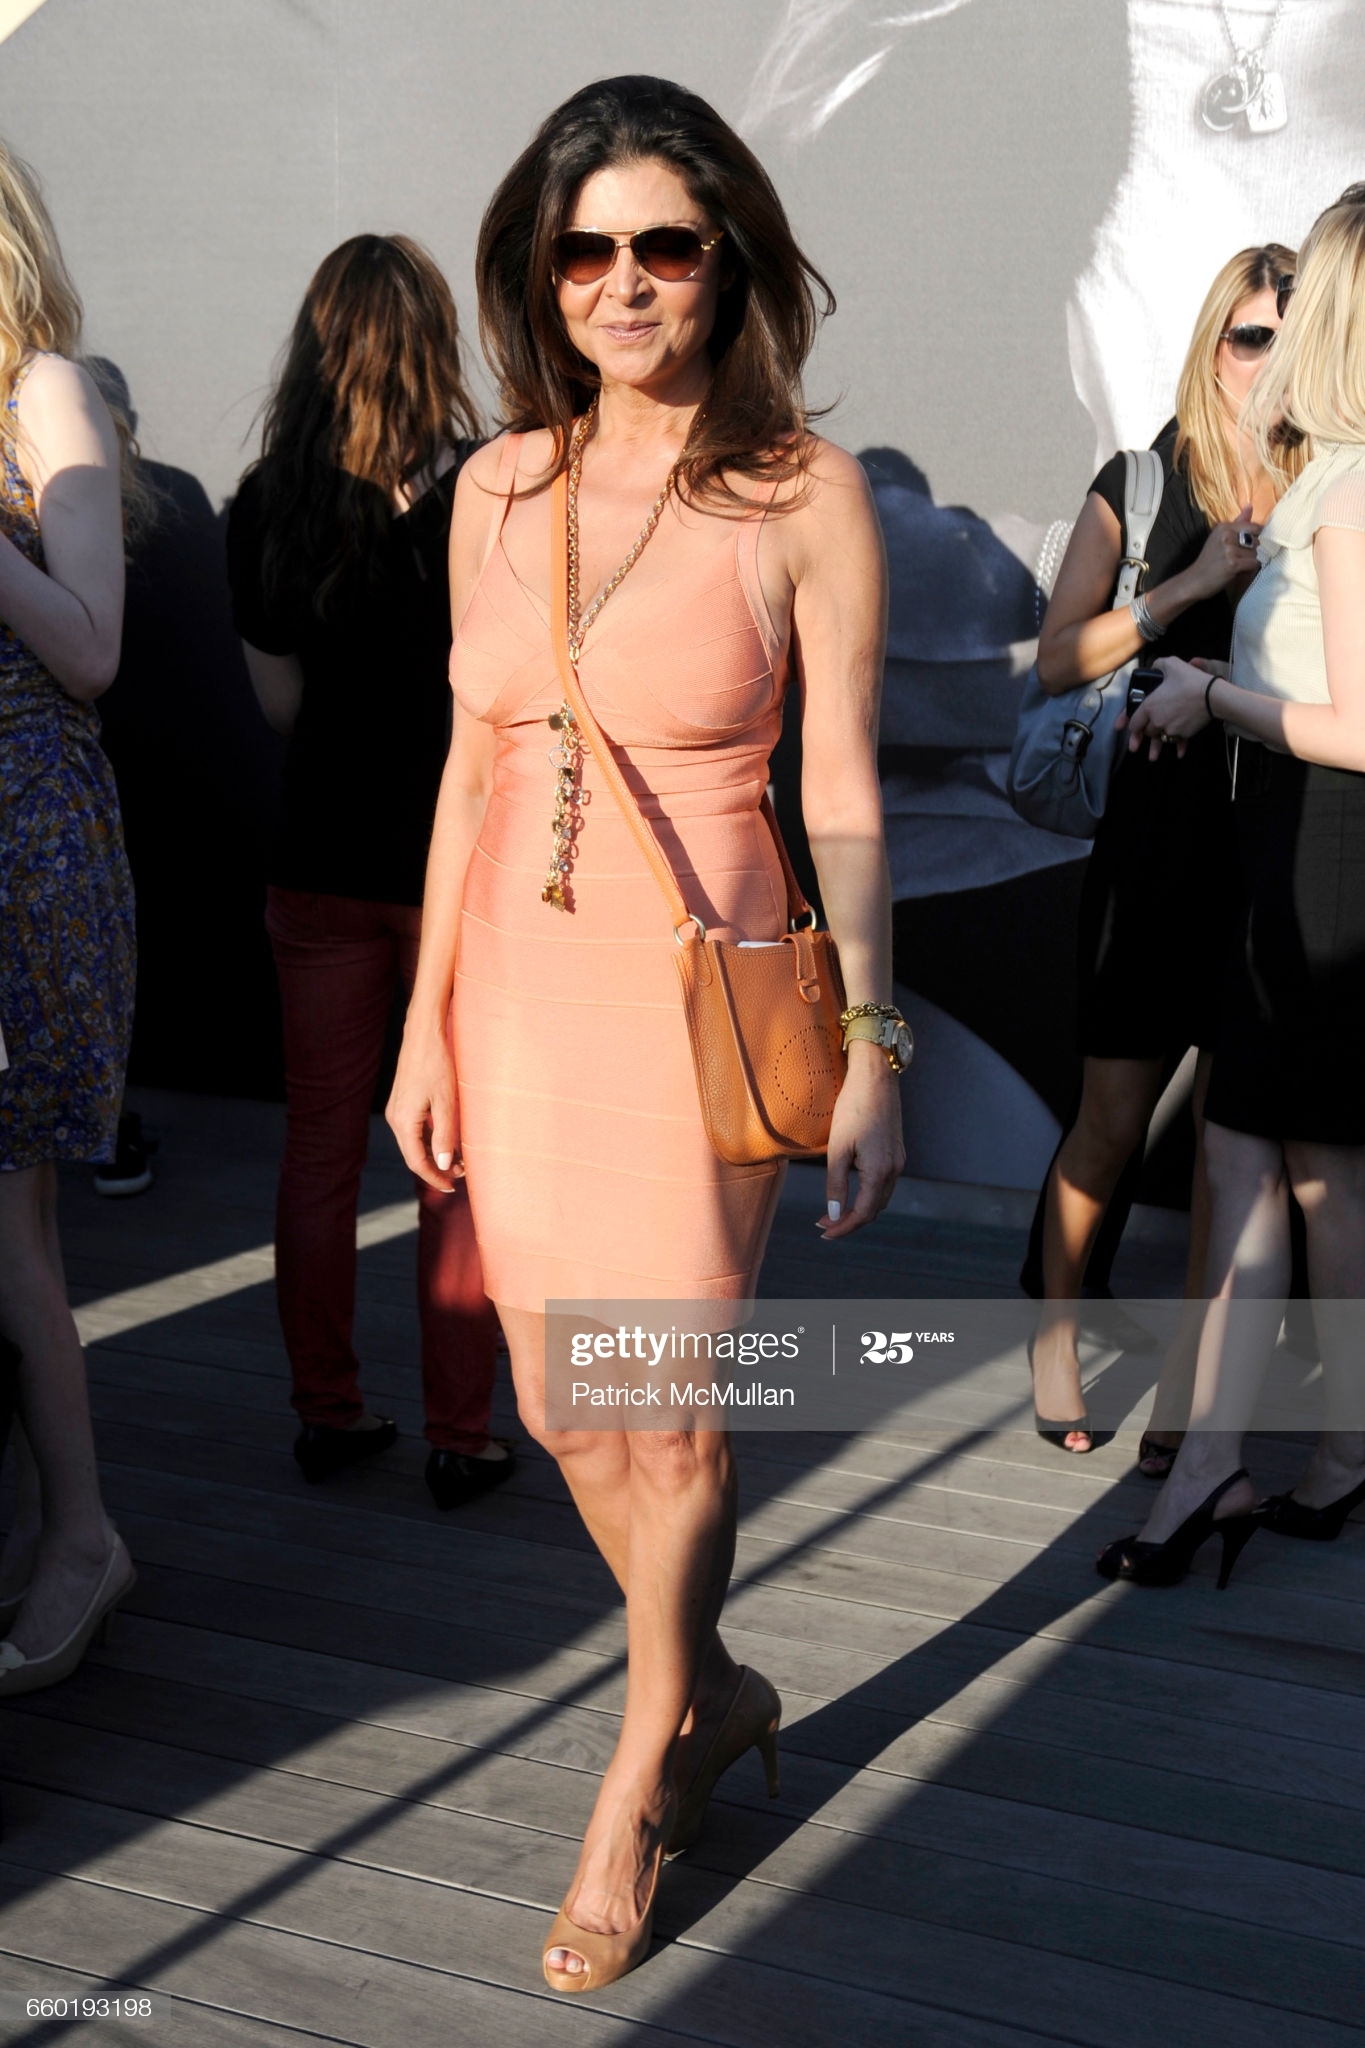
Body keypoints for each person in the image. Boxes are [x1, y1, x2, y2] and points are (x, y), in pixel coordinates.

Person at [386, 75, 904, 1991]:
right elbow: (468, 770)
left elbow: (843, 790)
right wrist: (426, 1023)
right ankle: (717, 1678)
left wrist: (875, 1037)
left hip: (700, 1000)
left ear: (725, 262)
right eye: (584, 249)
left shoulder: (801, 494)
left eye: (663, 246)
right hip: (517, 997)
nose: (622, 282)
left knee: (666, 1410)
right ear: (542, 272)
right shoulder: (496, 487)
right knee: (559, 1405)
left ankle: (637, 1773)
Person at [1099, 185, 1365, 1587]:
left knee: (1274, 1162)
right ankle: (1303, 1450)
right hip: (1295, 845)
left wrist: (1212, 696)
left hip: (1325, 852)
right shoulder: (1332, 474)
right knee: (1293, 1167)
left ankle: (1229, 1460)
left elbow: (1361, 725)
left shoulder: (1354, 485)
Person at [225, 235, 512, 1511]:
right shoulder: (492, 494)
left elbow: (282, 707)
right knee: (454, 1153)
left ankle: (326, 1412)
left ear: (314, 346)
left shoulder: (265, 504)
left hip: (319, 867)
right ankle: (463, 1432)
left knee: (320, 1153)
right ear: (435, 343)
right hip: (456, 877)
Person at [1026, 244, 1300, 1456]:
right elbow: (1058, 660)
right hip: (1153, 840)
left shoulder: (1327, 486)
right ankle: (1054, 1327)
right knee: (1112, 1117)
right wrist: (1186, 587)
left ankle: (1189, 1389)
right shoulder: (1144, 480)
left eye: (1290, 340)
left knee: (1227, 1140)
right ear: (1212, 343)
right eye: (1250, 337)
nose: (1268, 364)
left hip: (1272, 840)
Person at [0, 141, 145, 1694]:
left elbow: (94, 648)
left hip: (23, 842)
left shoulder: (40, 389)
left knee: (12, 1224)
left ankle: (80, 1537)